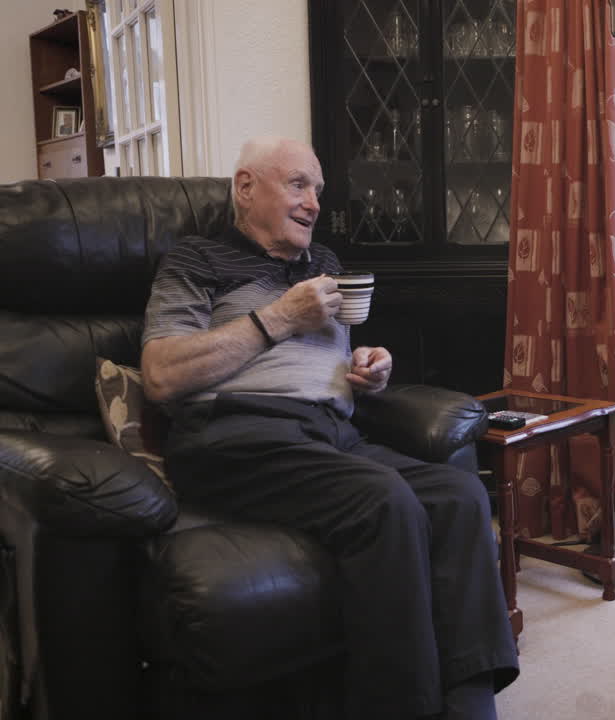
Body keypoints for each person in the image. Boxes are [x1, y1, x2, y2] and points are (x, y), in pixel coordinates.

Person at [141, 136, 518, 720]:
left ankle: (469, 706)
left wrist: (370, 369)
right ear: (246, 187)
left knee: (461, 494)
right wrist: (280, 317)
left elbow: (328, 364)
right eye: (298, 184)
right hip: (236, 433)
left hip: (331, 432)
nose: (315, 202)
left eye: (317, 188)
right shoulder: (196, 260)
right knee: (384, 500)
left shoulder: (325, 266)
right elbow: (162, 374)